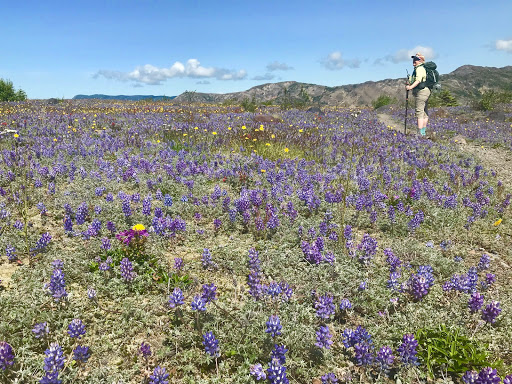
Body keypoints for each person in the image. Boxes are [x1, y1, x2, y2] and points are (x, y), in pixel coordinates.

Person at [405, 53, 430, 136]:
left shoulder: (419, 69)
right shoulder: (422, 68)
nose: (413, 62)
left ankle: (420, 133)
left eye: (415, 60)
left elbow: (418, 80)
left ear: (420, 61)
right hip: (426, 91)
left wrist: (410, 87)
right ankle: (423, 132)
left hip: (421, 92)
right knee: (424, 112)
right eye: (413, 60)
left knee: (419, 112)